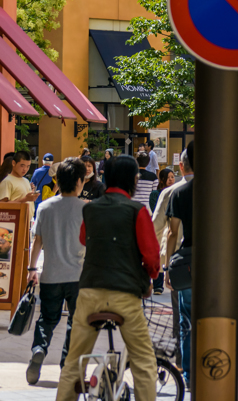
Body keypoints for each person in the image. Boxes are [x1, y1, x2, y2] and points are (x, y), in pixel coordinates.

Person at [55, 155, 159, 401]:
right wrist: (150, 278)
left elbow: (84, 239)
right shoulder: (137, 210)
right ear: (132, 180)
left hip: (89, 292)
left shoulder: (90, 209)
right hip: (125, 296)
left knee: (73, 361)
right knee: (144, 362)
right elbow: (152, 256)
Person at [25, 158, 86, 385]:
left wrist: (32, 269)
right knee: (76, 321)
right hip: (78, 276)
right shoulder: (86, 209)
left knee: (47, 319)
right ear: (79, 181)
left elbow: (37, 241)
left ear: (58, 181)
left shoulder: (44, 207)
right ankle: (67, 365)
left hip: (50, 274)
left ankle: (39, 349)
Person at [165, 142, 195, 385]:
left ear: (183, 165)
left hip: (187, 261)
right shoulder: (221, 188)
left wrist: (167, 267)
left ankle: (187, 372)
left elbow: (172, 233)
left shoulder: (179, 192)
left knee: (186, 318)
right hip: (218, 262)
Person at [0, 150, 39, 215]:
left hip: (28, 221)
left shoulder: (26, 180)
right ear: (13, 163)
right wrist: (25, 199)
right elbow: (3, 205)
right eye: (22, 165)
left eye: (28, 166)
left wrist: (31, 196)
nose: (25, 169)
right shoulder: (7, 181)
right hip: (15, 222)